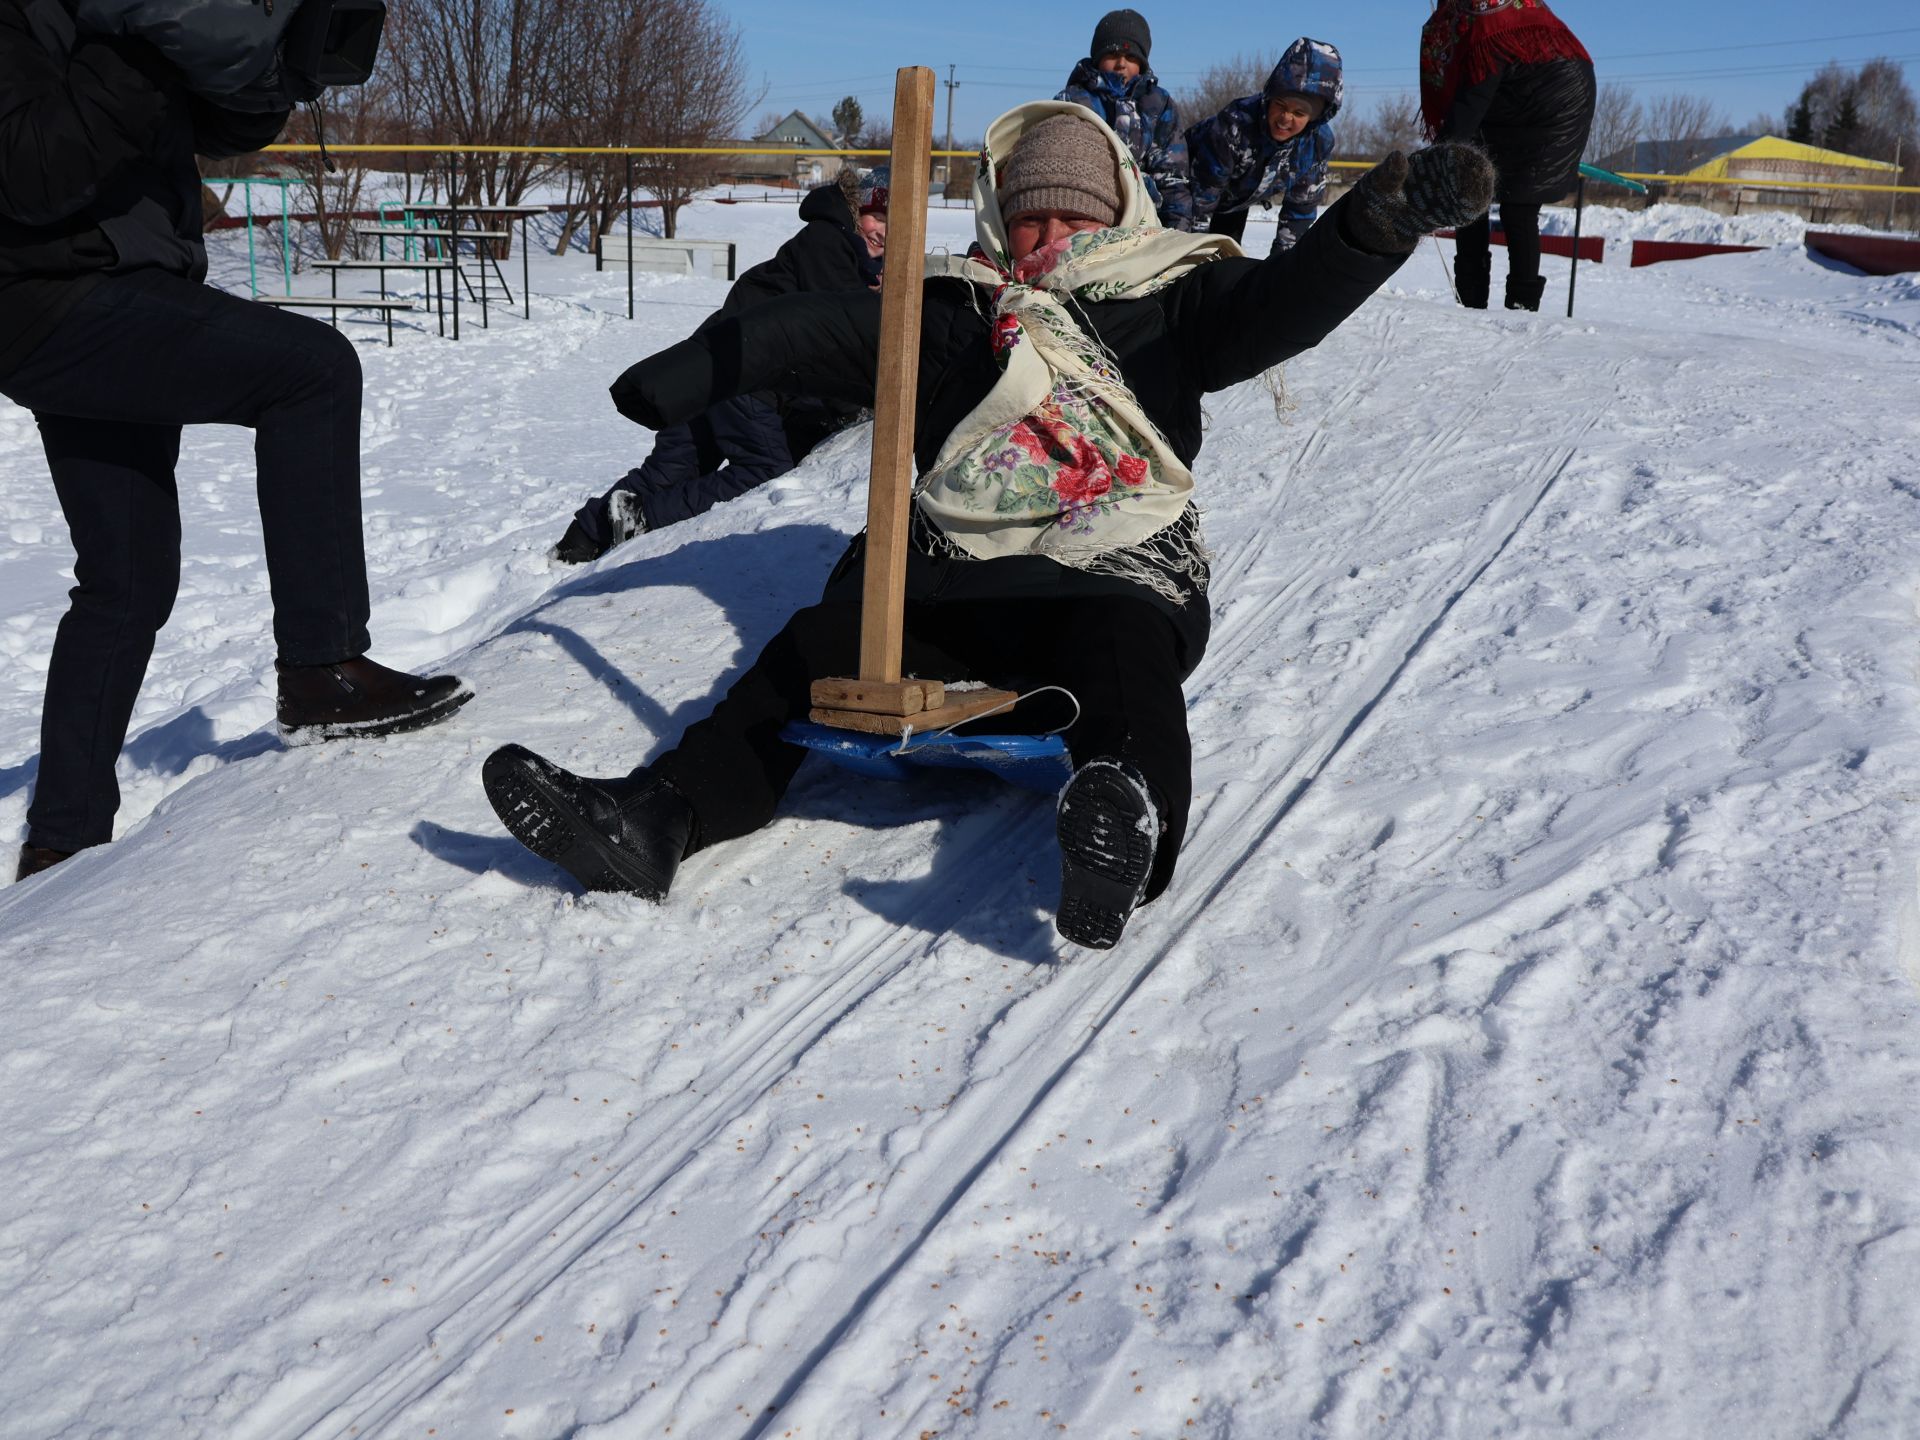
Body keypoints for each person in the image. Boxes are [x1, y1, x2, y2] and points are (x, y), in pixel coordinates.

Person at [481, 101, 1491, 949]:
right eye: (1032, 220)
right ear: (1001, 220)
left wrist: (1383, 216)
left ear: (1116, 216)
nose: (1049, 241)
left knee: (1124, 656)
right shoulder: (965, 310)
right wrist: (694, 374)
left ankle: (1122, 821)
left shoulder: (1176, 297)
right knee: (809, 648)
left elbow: (1291, 299)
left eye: (1072, 221)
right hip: (957, 583)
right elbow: (829, 329)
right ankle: (659, 819)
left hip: (1111, 566)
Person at [1, 0, 470, 883]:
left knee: (128, 579)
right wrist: (140, 42)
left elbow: (215, 123)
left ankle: (61, 842)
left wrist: (288, 63)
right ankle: (321, 663)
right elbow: (32, 173)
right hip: (55, 302)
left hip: (113, 291)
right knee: (312, 372)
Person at [550, 168, 889, 564]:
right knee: (765, 469)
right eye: (877, 217)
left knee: (675, 466)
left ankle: (583, 536)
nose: (882, 231)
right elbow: (833, 340)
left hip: (713, 363)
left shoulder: (841, 252)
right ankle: (641, 519)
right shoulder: (831, 242)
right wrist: (854, 406)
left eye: (891, 226)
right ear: (855, 208)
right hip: (746, 373)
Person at [1420, 0, 1595, 311]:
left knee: (1517, 207)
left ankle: (1519, 310)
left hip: (1551, 109)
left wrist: (1436, 162)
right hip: (1517, 102)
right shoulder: (1495, 13)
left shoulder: (1488, 24)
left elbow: (1471, 103)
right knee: (1472, 193)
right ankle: (1472, 301)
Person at [1187, 38, 1343, 256]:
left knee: (1226, 263)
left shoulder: (1316, 144)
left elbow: (1299, 212)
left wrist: (1279, 270)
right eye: (1280, 105)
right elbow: (1201, 199)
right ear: (1270, 98)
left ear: (1314, 118)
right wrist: (1192, 256)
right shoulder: (1235, 124)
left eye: (1299, 113)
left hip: (1234, 204)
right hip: (1184, 196)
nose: (1285, 118)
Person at [1054, 8, 1193, 230]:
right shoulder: (1072, 101)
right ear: (1098, 59)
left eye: (1131, 57)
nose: (1121, 63)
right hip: (1086, 217)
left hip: (1144, 221)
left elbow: (1172, 179)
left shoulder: (1159, 104)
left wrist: (1177, 234)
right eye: (1112, 55)